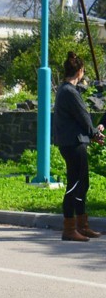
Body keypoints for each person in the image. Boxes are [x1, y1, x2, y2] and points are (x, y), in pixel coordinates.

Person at [53, 51, 104, 241]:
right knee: (75, 185)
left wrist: (92, 132)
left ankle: (82, 225)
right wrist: (95, 133)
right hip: (74, 143)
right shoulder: (70, 92)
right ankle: (69, 228)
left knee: (83, 184)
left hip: (74, 142)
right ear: (80, 71)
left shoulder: (65, 90)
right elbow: (83, 116)